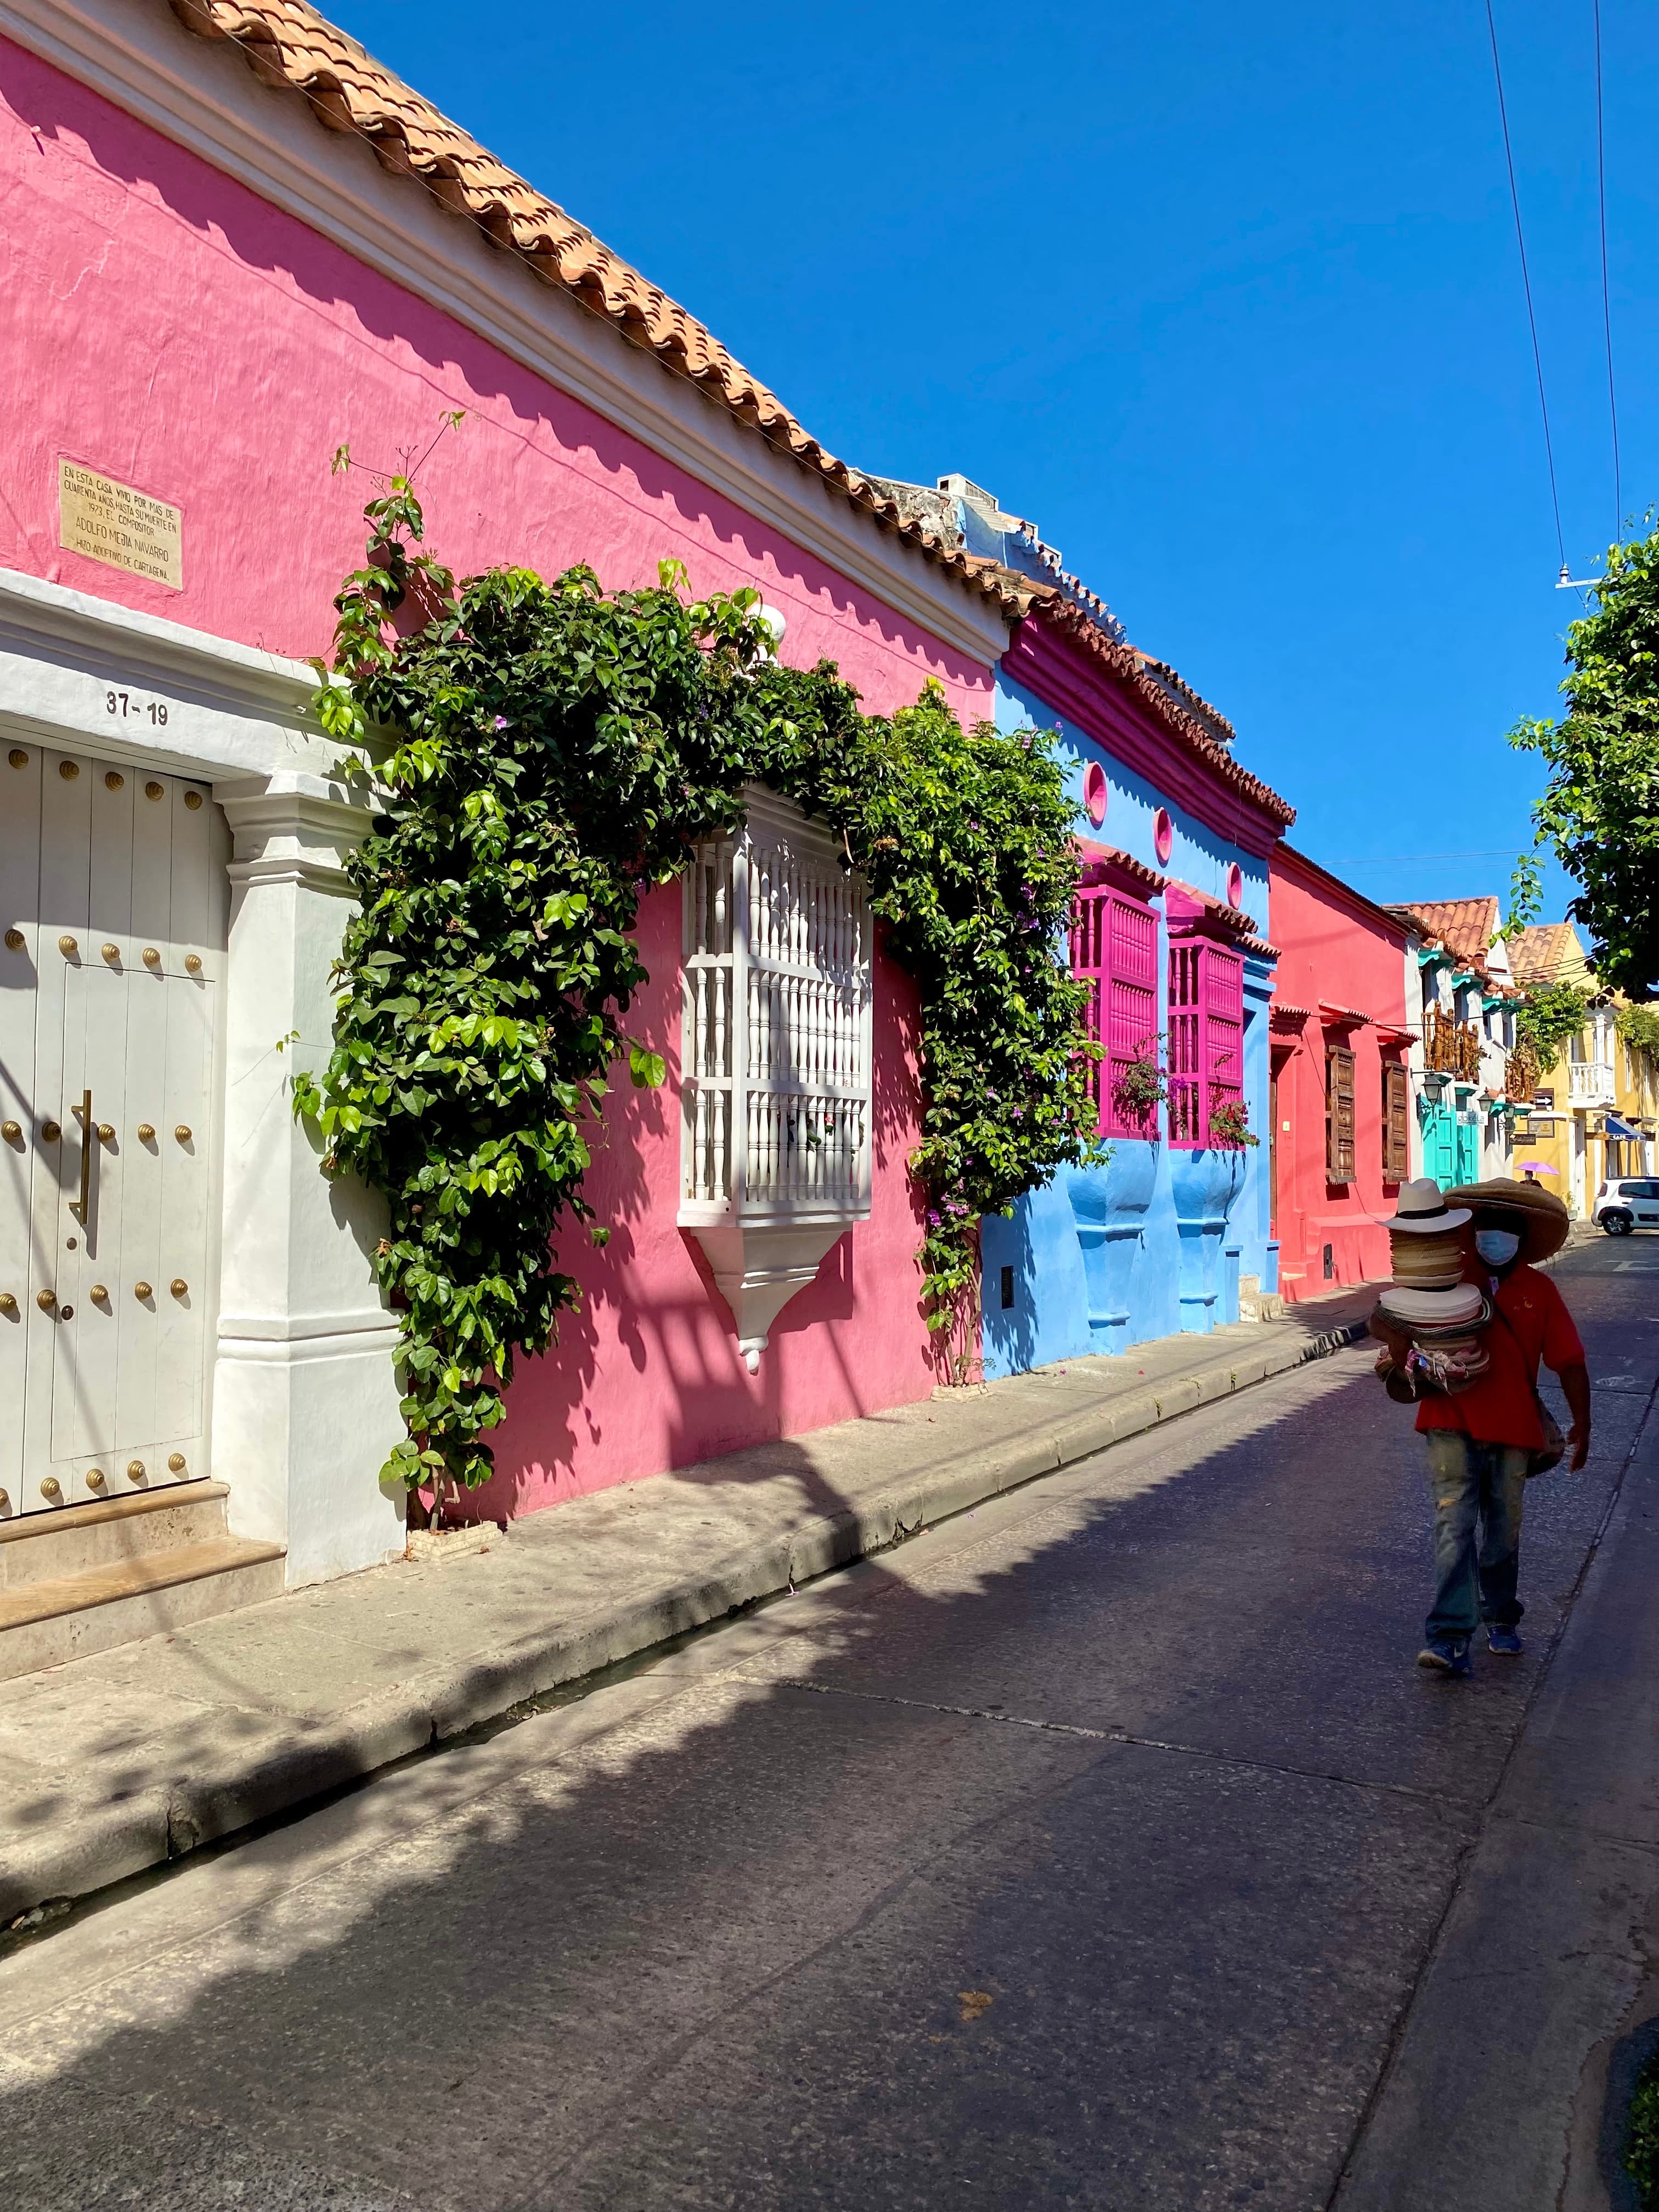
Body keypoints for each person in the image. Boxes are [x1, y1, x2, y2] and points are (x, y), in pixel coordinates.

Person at [1379, 1178, 1591, 1679]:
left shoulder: (1540, 1290)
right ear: (1472, 1235)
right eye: (1486, 1230)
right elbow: (1383, 1316)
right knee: (1453, 1526)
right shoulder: (1446, 1277)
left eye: (1504, 1232)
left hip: (1515, 1430)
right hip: (1448, 1421)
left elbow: (1570, 1360)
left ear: (1521, 1241)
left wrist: (1585, 1422)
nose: (1493, 1239)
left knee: (1502, 1533)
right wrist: (1401, 1350)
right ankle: (1449, 1638)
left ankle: (1500, 1616)